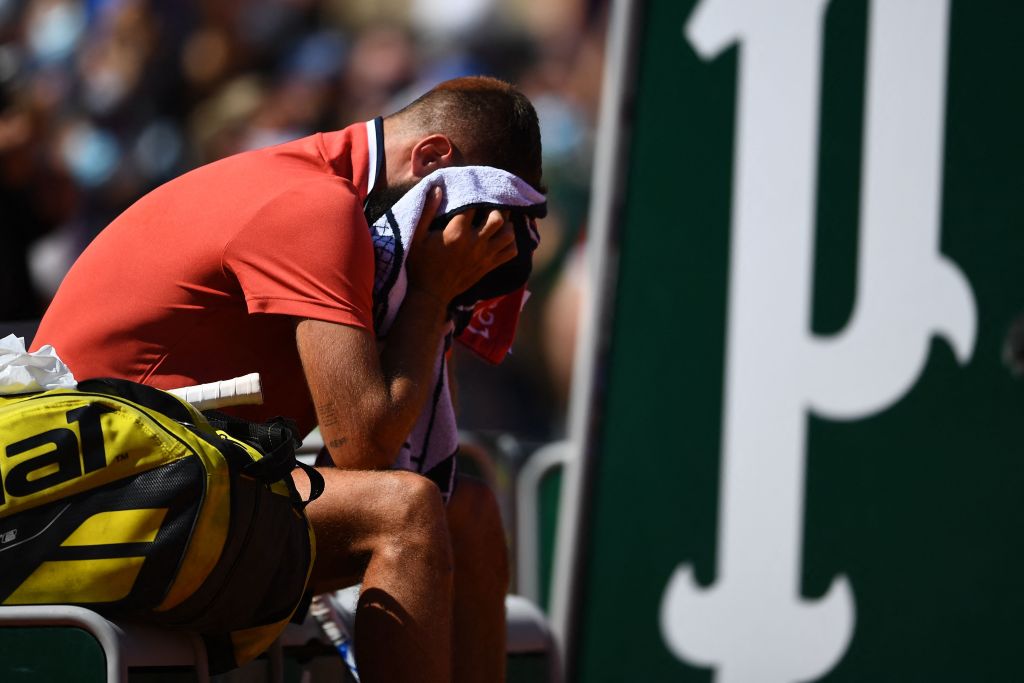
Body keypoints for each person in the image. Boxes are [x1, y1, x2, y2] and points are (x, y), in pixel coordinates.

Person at [32, 75, 544, 683]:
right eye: (472, 215)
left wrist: (438, 303)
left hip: (170, 479)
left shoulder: (350, 210)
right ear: (431, 159)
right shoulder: (314, 206)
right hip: (83, 495)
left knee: (470, 512)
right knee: (404, 510)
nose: (468, 242)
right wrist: (432, 293)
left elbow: (417, 444)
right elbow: (365, 449)